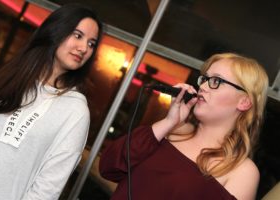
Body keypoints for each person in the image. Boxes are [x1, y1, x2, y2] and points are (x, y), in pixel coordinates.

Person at [99, 53, 269, 200]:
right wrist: (168, 122)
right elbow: (108, 167)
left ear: (244, 101)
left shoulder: (241, 171)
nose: (202, 87)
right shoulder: (169, 132)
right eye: (205, 79)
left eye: (216, 81)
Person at [0, 3, 102, 200]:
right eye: (78, 35)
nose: (84, 48)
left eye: (91, 43)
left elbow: (48, 189)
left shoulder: (75, 111)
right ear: (55, 30)